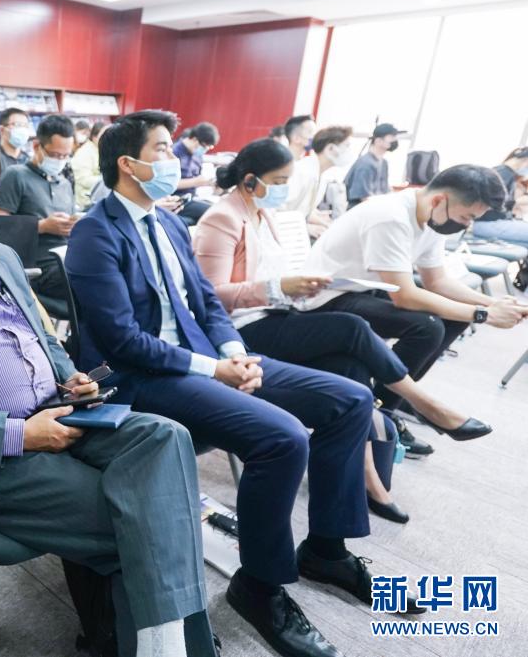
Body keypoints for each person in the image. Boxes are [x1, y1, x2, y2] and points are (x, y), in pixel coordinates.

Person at [67, 110, 421, 657]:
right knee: (283, 438)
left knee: (350, 400)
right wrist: (214, 369)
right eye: (163, 149)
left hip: (208, 357)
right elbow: (122, 342)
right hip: (145, 376)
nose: (174, 159)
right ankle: (260, 585)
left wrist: (234, 353)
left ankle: (326, 550)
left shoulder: (168, 223)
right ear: (129, 164)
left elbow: (207, 303)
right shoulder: (95, 233)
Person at [0, 130, 219, 657]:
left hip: (60, 412)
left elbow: (43, 338)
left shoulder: (2, 256)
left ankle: (154, 642)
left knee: (167, 437)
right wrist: (21, 435)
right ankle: (170, 645)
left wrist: (70, 377)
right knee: (152, 515)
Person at [193, 138, 489, 524]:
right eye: (279, 181)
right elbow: (211, 296)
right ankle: (423, 403)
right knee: (353, 327)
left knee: (351, 368)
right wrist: (280, 287)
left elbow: (268, 277)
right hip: (241, 330)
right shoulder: (223, 218)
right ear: (250, 180)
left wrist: (295, 286)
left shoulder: (263, 214)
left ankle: (363, 482)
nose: (286, 189)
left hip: (273, 314)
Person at [303, 164, 526, 448]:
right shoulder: (391, 216)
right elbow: (405, 296)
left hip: (366, 290)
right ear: (439, 200)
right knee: (426, 327)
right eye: (466, 217)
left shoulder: (432, 218)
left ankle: (390, 403)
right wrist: (484, 314)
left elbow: (437, 281)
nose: (466, 225)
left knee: (453, 316)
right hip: (325, 298)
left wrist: (493, 302)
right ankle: (381, 413)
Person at [0, 114, 77, 317]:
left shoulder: (65, 183)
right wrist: (42, 226)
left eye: (65, 156)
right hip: (36, 267)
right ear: (37, 146)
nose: (60, 161)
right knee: (92, 280)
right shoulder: (16, 175)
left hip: (67, 258)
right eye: (55, 155)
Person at [282, 126, 356, 238]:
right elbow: (280, 211)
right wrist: (306, 228)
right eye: (347, 146)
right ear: (330, 149)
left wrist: (327, 225)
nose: (349, 151)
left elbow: (304, 211)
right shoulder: (302, 172)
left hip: (293, 233)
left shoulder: (322, 176)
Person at [472, 146, 528, 248]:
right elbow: (489, 203)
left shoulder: (508, 174)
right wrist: (517, 202)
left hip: (494, 222)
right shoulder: (502, 174)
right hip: (487, 223)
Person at [344, 123, 403, 208]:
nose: (395, 140)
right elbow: (364, 198)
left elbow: (386, 191)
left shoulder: (384, 163)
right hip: (361, 211)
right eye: (392, 137)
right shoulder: (365, 164)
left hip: (376, 209)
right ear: (378, 141)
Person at [171, 122, 220, 224]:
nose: (205, 150)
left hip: (191, 198)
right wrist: (194, 182)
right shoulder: (173, 152)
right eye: (205, 147)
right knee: (214, 212)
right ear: (194, 139)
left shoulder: (197, 156)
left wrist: (209, 183)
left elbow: (198, 179)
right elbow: (168, 183)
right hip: (175, 199)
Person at [71, 121, 107, 209]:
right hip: (87, 202)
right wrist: (107, 180)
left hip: (101, 199)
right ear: (94, 137)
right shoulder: (84, 153)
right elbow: (84, 179)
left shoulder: (102, 150)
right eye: (103, 136)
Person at [0, 107, 32, 176]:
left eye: (25, 126)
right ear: (2, 129)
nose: (22, 129)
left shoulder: (29, 160)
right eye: (17, 125)